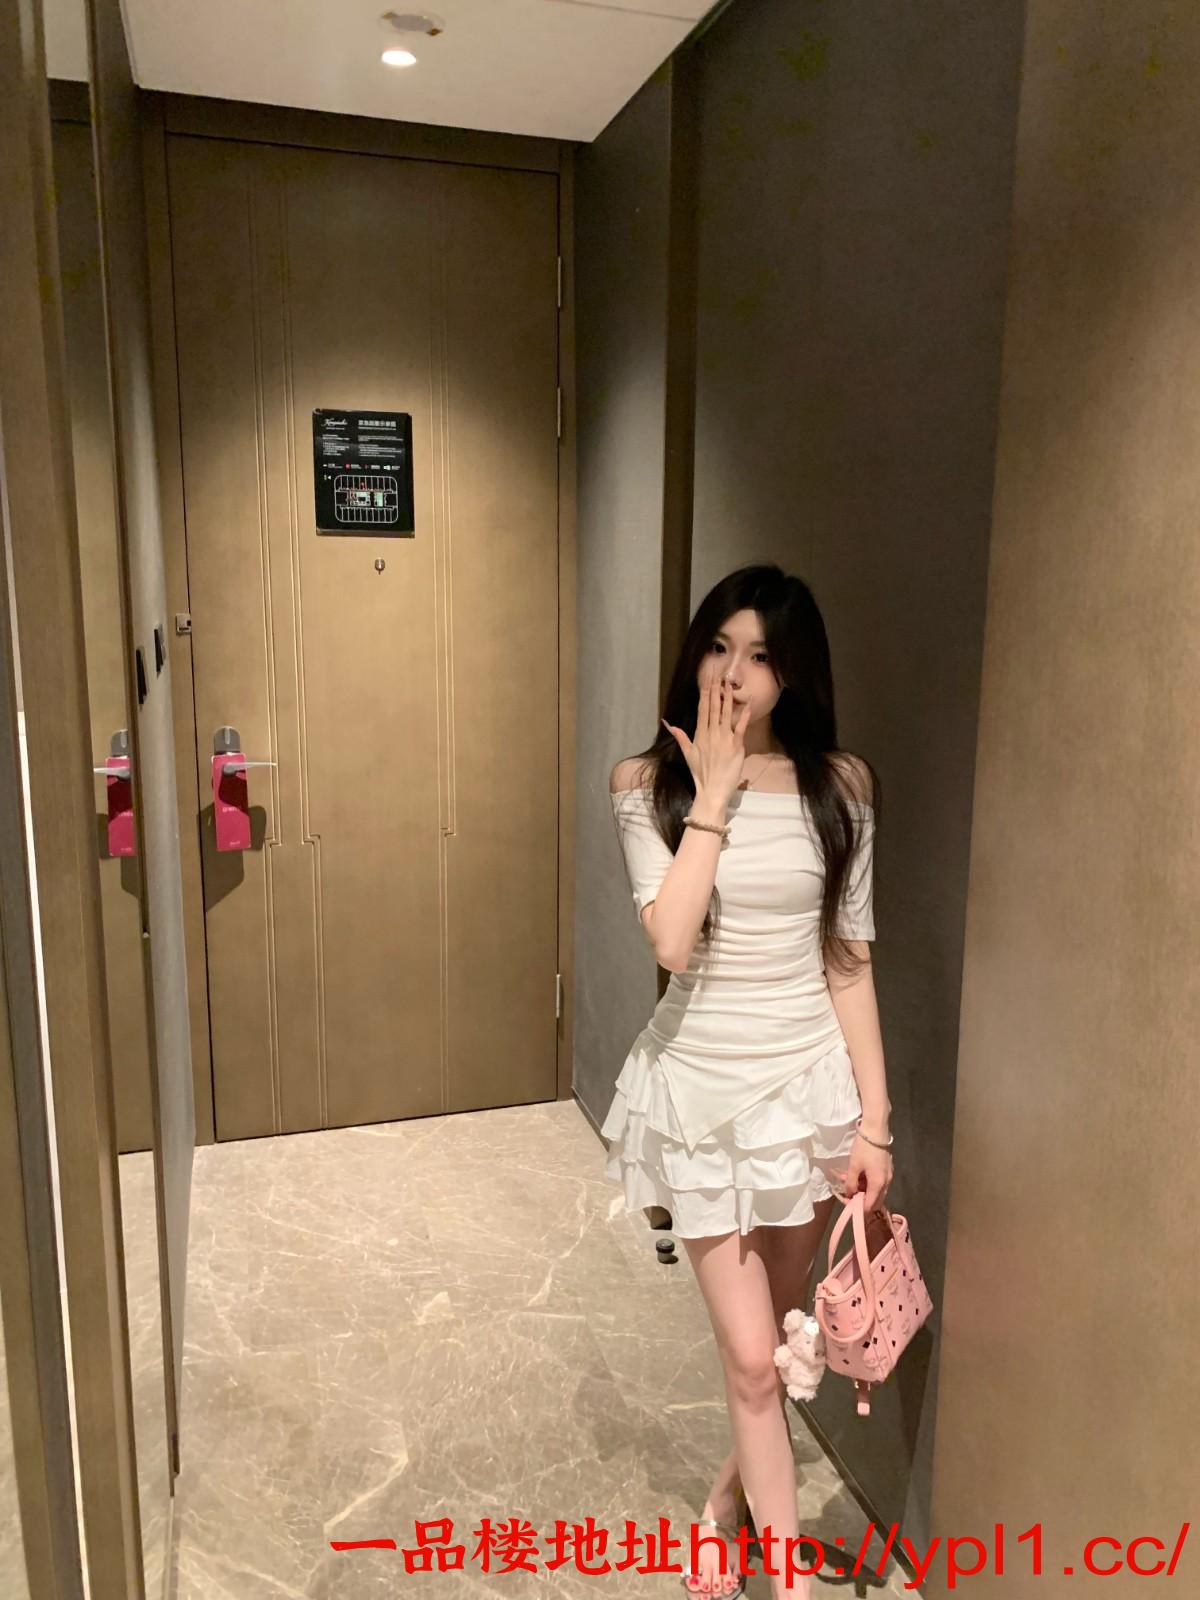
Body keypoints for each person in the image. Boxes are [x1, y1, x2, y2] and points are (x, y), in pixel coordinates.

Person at [601, 564, 894, 1600]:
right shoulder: (647, 784)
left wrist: (875, 1119)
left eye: (761, 654)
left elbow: (847, 958)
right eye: (720, 647)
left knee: (762, 1353)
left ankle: (724, 1507)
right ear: (695, 655)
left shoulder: (840, 785)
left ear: (793, 672)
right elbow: (673, 943)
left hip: (808, 1095)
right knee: (751, 1355)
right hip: (699, 1099)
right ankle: (788, 1584)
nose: (735, 673)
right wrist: (715, 798)